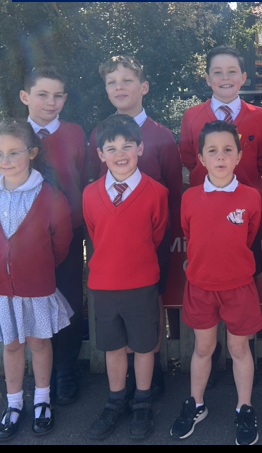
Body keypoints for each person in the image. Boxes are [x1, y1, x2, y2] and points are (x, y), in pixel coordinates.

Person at [88, 55, 182, 400]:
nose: (119, 87)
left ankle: (150, 372)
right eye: (112, 82)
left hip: (151, 238)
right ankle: (123, 380)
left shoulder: (161, 135)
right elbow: (95, 185)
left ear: (143, 87)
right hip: (112, 240)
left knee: (149, 302)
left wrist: (168, 238)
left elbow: (173, 190)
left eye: (126, 80)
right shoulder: (99, 134)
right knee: (116, 310)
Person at [0, 120, 73, 441]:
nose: (6, 160)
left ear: (31, 152)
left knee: (39, 343)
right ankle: (14, 403)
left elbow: (61, 240)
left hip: (37, 286)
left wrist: (39, 266)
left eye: (14, 152)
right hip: (1, 288)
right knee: (12, 345)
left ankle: (42, 400)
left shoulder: (49, 195)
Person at [170, 121, 262, 445]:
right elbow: (190, 234)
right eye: (212, 150)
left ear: (238, 156)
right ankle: (196, 404)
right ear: (201, 158)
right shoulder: (189, 198)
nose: (220, 157)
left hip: (238, 287)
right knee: (203, 347)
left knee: (239, 348)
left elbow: (249, 236)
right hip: (200, 286)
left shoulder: (251, 197)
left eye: (227, 150)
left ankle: (244, 408)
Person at [83, 114, 169, 440]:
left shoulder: (156, 193)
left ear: (140, 148)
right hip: (104, 285)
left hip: (142, 283)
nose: (120, 153)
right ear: (100, 154)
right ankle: (115, 400)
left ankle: (142, 401)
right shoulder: (90, 194)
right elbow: (96, 234)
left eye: (127, 146)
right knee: (113, 346)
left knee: (144, 346)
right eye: (111, 148)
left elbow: (156, 235)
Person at [19, 66, 87, 405]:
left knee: (70, 298)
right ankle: (41, 369)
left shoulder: (74, 133)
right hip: (26, 237)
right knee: (35, 299)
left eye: (58, 95)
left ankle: (65, 368)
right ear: (25, 96)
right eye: (42, 94)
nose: (51, 102)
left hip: (69, 231)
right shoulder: (14, 135)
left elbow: (83, 177)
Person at [179, 45, 262, 276]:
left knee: (246, 272)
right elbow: (190, 159)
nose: (225, 78)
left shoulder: (259, 116)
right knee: (206, 271)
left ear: (243, 77)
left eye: (232, 71)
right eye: (217, 72)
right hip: (204, 209)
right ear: (207, 78)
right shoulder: (192, 116)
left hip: (246, 211)